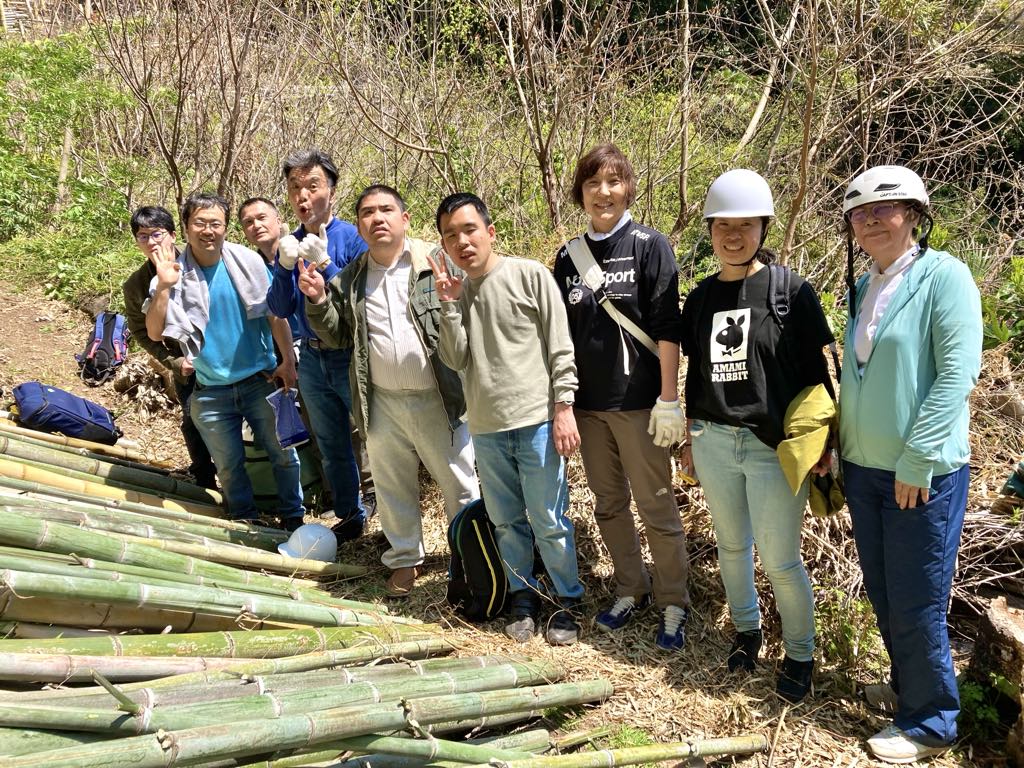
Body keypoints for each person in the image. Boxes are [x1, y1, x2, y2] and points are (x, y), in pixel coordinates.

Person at [839, 165, 981, 763]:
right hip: (864, 469)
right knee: (884, 590)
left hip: (921, 474)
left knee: (918, 596)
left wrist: (917, 459)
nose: (870, 220)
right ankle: (909, 687)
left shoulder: (944, 277)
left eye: (884, 209)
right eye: (860, 213)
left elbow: (957, 376)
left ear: (915, 215)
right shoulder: (865, 284)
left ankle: (931, 721)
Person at [679, 169, 834, 702]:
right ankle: (747, 632)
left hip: (773, 449)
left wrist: (823, 445)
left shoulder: (791, 291)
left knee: (780, 559)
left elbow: (818, 378)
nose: (733, 235)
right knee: (730, 546)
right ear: (710, 229)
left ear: (763, 228)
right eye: (723, 225)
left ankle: (801, 653)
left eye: (745, 225)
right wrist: (689, 438)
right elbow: (697, 375)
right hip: (713, 439)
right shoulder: (700, 299)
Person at [300, 184, 480, 597]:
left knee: (459, 483)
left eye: (386, 210)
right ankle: (405, 558)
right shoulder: (351, 278)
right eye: (367, 213)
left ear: (405, 219)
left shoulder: (436, 263)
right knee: (392, 485)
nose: (377, 218)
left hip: (437, 396)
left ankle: (470, 554)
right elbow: (337, 335)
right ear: (359, 226)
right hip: (379, 399)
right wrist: (318, 300)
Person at [553, 144, 692, 651]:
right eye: (593, 183)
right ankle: (631, 588)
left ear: (628, 188)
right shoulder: (567, 257)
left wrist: (669, 398)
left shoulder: (650, 245)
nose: (603, 192)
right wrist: (562, 402)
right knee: (609, 504)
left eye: (613, 182)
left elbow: (667, 326)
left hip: (639, 404)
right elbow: (560, 334)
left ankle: (673, 600)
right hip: (588, 408)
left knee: (656, 506)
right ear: (580, 193)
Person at [430, 192, 585, 646]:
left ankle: (567, 598)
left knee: (549, 518)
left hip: (537, 421)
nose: (462, 241)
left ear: (490, 232)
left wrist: (564, 407)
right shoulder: (455, 292)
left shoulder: (529, 274)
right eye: (451, 235)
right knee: (505, 521)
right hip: (486, 427)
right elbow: (455, 358)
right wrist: (449, 305)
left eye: (469, 229)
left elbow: (560, 345)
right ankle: (523, 596)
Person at [145, 192, 303, 529]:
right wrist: (164, 288)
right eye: (199, 223)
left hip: (261, 380)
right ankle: (246, 525)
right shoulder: (171, 274)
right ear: (185, 227)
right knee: (229, 467)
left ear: (226, 227)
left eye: (215, 223)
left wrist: (288, 360)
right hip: (210, 389)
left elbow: (275, 314)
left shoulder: (248, 262)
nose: (208, 230)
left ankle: (294, 518)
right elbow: (155, 332)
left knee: (284, 454)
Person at [267, 149, 370, 540]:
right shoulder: (288, 244)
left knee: (373, 433)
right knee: (329, 441)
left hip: (351, 353)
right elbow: (278, 308)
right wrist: (283, 267)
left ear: (332, 190)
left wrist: (327, 264)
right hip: (310, 356)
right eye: (295, 187)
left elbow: (364, 300)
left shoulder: (354, 237)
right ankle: (350, 514)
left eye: (312, 185)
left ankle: (386, 504)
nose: (302, 195)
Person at [122, 205, 217, 489]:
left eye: (157, 234)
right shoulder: (136, 285)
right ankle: (205, 484)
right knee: (192, 422)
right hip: (185, 363)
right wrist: (173, 362)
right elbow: (142, 332)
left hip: (223, 355)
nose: (151, 242)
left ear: (173, 235)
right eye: (143, 236)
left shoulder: (201, 259)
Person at [239, 197, 286, 266]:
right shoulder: (250, 267)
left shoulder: (300, 254)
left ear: (278, 222)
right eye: (249, 222)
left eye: (262, 218)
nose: (256, 225)